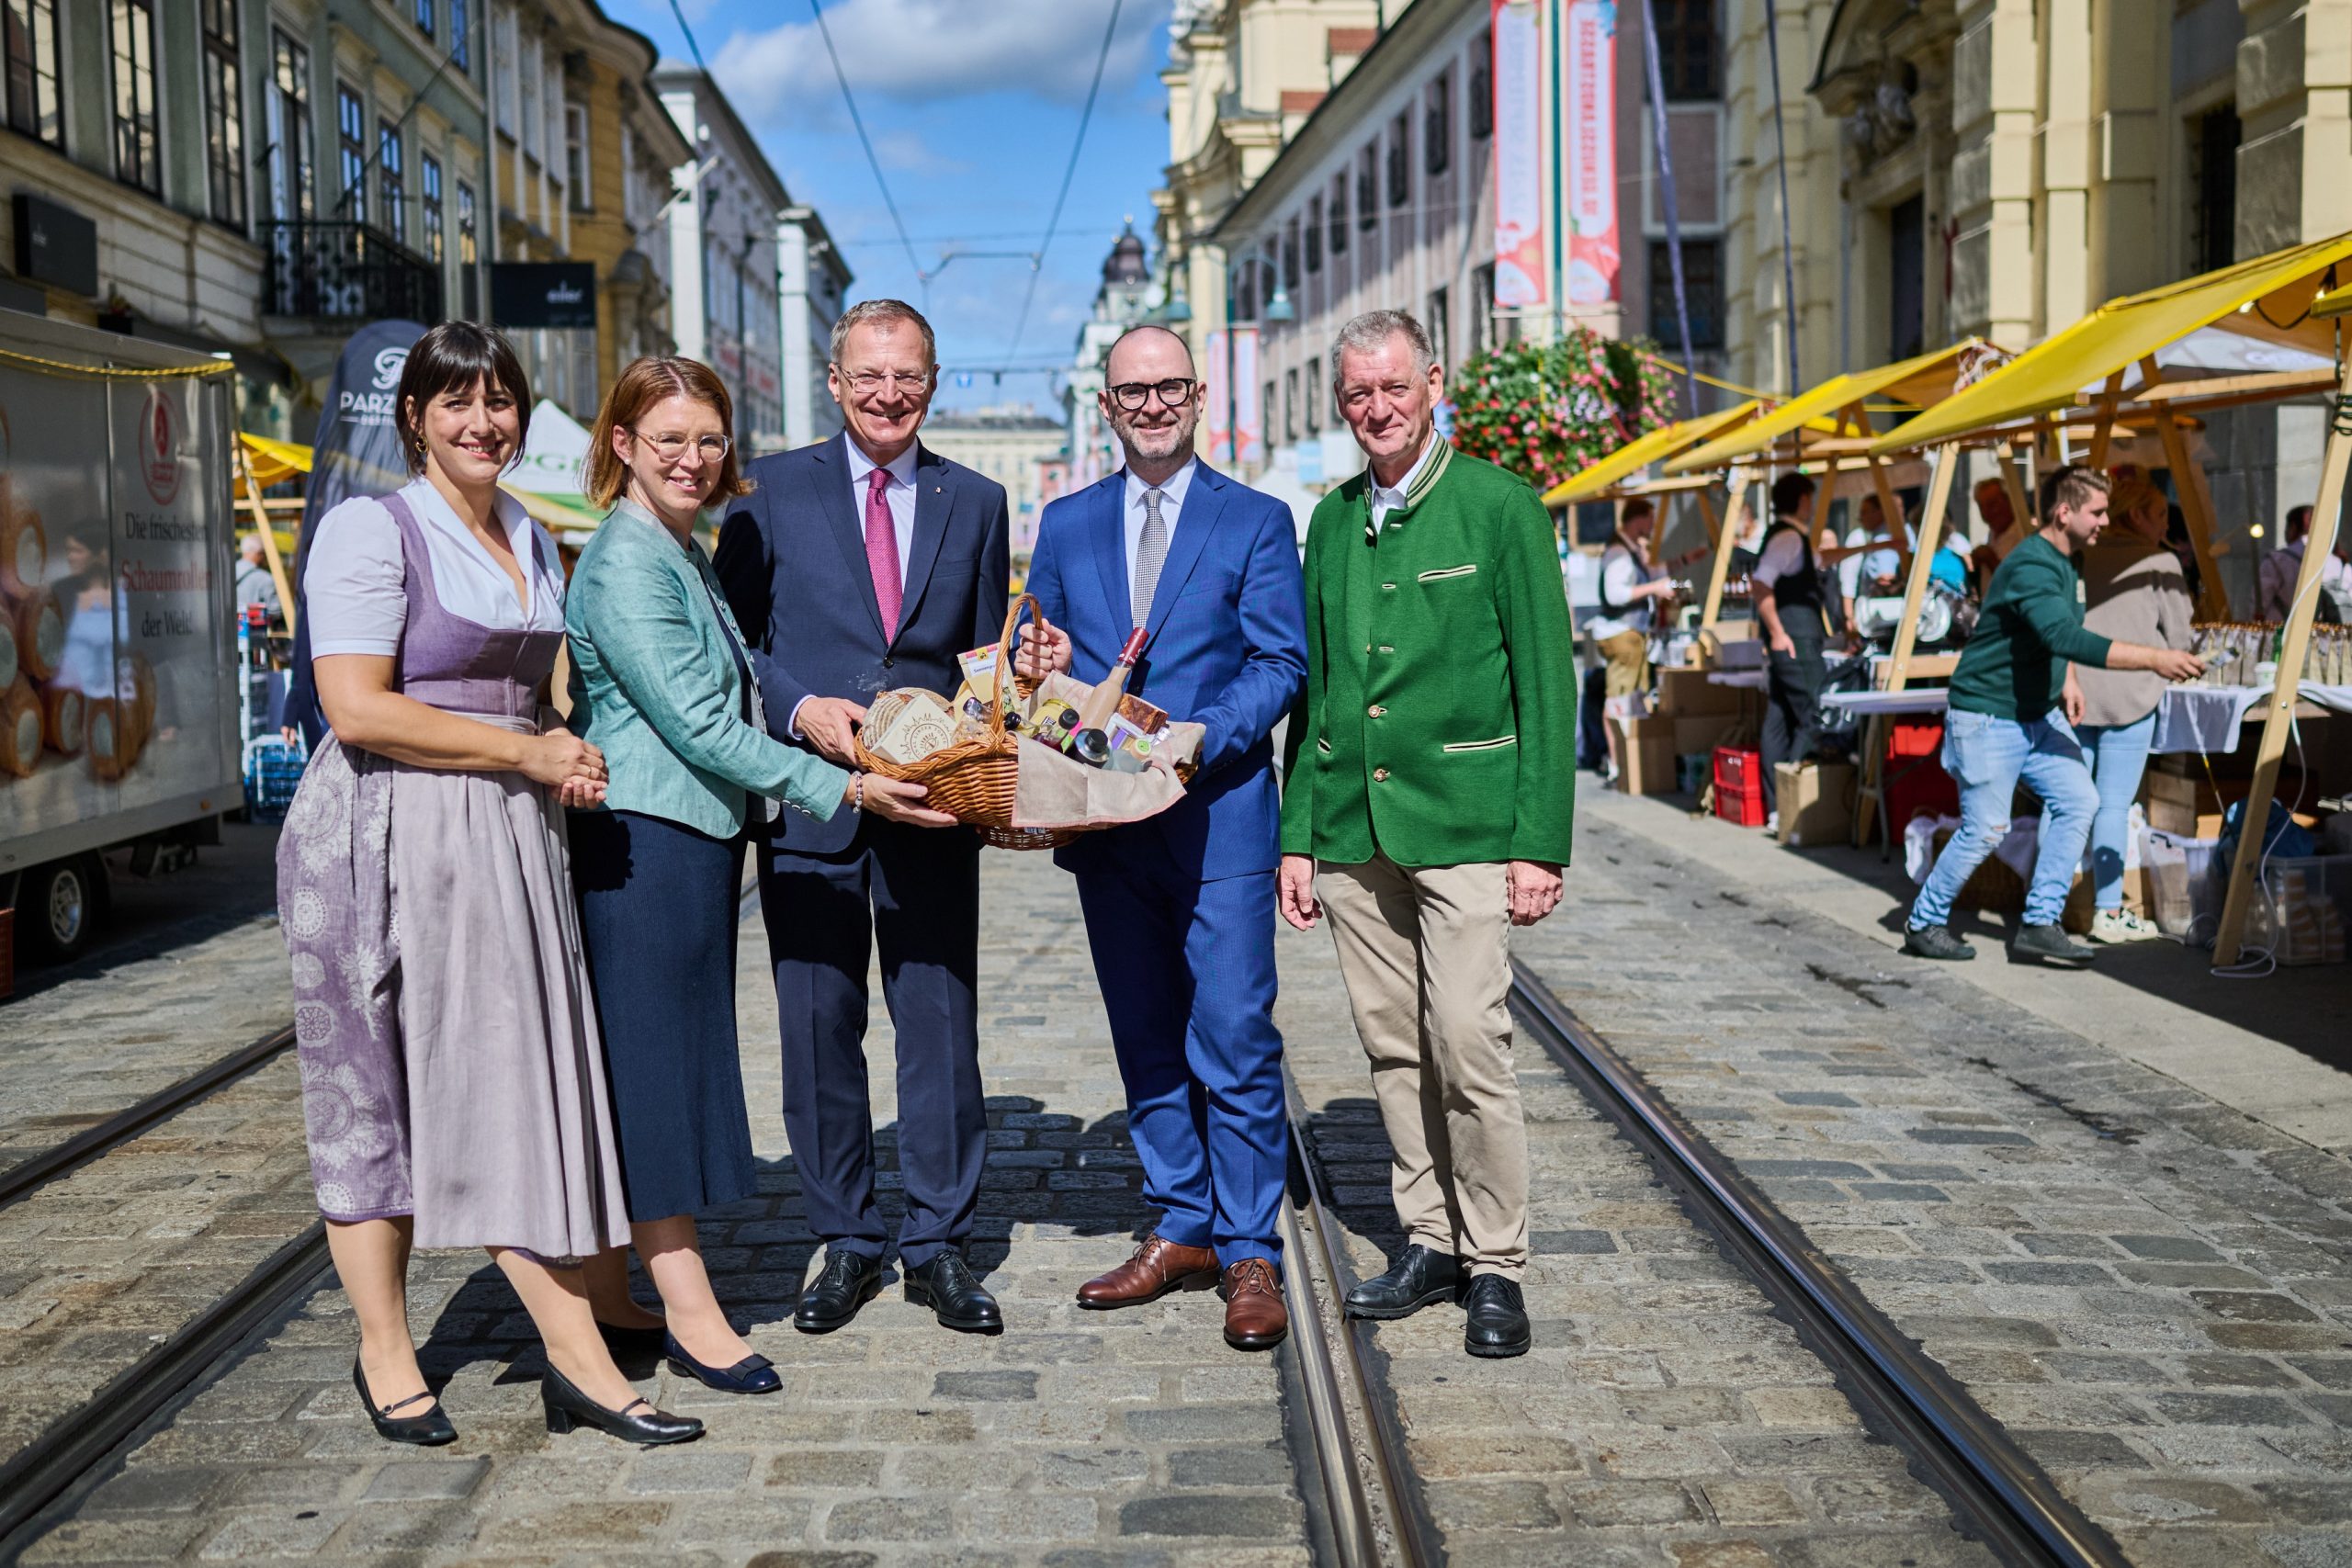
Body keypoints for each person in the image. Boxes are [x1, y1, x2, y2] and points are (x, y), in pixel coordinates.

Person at [277, 321, 701, 1448]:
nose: (483, 423)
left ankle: (587, 1319)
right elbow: (356, 708)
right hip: (391, 829)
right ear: (414, 418)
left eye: (500, 401)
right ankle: (402, 1350)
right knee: (376, 1090)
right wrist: (525, 752)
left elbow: (544, 690)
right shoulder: (371, 531)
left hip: (509, 828)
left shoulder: (527, 529)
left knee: (527, 1067)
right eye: (456, 403)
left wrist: (571, 748)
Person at [565, 356, 933, 1394]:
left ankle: (607, 1289)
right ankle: (692, 1315)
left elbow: (727, 689)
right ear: (623, 444)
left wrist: (814, 726)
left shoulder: (678, 547)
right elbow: (699, 723)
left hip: (684, 839)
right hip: (643, 843)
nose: (693, 458)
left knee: (658, 1067)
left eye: (709, 439)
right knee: (656, 1077)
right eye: (669, 439)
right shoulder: (629, 562)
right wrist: (845, 787)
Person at [1277, 310, 1578, 1359]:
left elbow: (1546, 683)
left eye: (1393, 388)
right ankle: (1430, 1239)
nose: (1377, 409)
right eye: (1358, 394)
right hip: (1352, 829)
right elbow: (1316, 692)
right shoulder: (1330, 521)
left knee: (1466, 1038)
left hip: (1465, 823)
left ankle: (1496, 1259)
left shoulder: (1500, 505)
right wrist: (1297, 836)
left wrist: (1540, 843)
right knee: (1393, 1045)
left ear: (1433, 383)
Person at [714, 300, 1012, 1337]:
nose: (890, 395)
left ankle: (938, 1244)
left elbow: (982, 663)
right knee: (816, 1025)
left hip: (932, 806)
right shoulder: (765, 491)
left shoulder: (977, 500)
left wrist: (1013, 689)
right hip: (812, 798)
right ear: (835, 382)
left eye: (909, 376)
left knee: (939, 1024)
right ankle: (845, 1236)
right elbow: (732, 641)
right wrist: (799, 708)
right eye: (870, 376)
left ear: (934, 383)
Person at [1012, 325, 1306, 1351]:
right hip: (1106, 823)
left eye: (1168, 387)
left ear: (1197, 395)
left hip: (1219, 816)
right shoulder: (1066, 520)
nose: (1151, 405)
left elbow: (1279, 662)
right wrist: (1038, 654)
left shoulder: (1256, 519)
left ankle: (1249, 1247)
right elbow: (1039, 655)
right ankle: (1181, 1223)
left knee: (1233, 1033)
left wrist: (1201, 737)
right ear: (1106, 405)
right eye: (1132, 391)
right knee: (1143, 1031)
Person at [1903, 464, 2203, 965]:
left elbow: (2052, 633)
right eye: (2098, 511)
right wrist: (2154, 657)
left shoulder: (2069, 561)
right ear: (2065, 512)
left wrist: (2067, 680)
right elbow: (2065, 636)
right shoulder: (2033, 567)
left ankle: (2041, 921)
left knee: (2080, 800)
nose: (2106, 520)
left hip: (2036, 716)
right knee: (1986, 828)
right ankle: (1923, 921)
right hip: (1988, 714)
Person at [2075, 474, 2196, 944]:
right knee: (2112, 803)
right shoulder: (2159, 560)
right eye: (2160, 513)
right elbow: (2182, 637)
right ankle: (2108, 911)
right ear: (2137, 515)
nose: (2166, 523)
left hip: (2076, 692)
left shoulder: (2081, 554)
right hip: (2130, 695)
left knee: (2067, 803)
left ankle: (2045, 904)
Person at [1751, 472, 1833, 827]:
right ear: (1802, 500)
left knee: (1778, 718)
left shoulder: (1791, 538)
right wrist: (1778, 633)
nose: (1812, 506)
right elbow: (1760, 583)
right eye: (1810, 499)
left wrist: (1875, 547)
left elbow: (1821, 558)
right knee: (1815, 711)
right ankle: (1794, 799)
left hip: (1791, 639)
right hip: (1795, 640)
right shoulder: (1787, 538)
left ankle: (1776, 808)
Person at [1585, 496, 1677, 785]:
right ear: (1638, 519)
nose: (1653, 526)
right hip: (1621, 634)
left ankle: (1627, 762)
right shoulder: (1619, 552)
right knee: (1619, 700)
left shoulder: (1629, 550)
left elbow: (1651, 573)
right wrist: (1654, 588)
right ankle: (1619, 765)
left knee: (1629, 698)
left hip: (1628, 633)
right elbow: (1616, 595)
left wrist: (1686, 560)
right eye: (1651, 519)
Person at [2258, 504, 2352, 622]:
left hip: (2287, 631)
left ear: (2293, 527)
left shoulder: (2277, 560)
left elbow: (2260, 604)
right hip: (2337, 632)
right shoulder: (2343, 565)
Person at [234, 534, 282, 620]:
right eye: (264, 553)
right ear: (259, 553)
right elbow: (275, 612)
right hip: (254, 627)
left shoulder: (229, 571)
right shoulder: (265, 578)